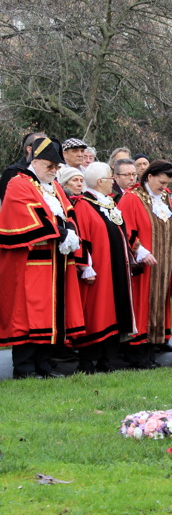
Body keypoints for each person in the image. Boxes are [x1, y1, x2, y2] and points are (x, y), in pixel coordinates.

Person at [0, 137, 83, 378]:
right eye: (50, 166)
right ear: (35, 161)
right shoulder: (19, 183)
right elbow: (25, 217)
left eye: (57, 167)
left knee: (51, 315)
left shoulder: (54, 186)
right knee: (28, 316)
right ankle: (24, 368)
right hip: (31, 262)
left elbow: (67, 210)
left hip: (55, 262)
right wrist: (59, 232)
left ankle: (45, 365)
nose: (54, 171)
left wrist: (70, 230)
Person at [118, 160, 172, 368]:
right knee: (142, 308)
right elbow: (124, 227)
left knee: (159, 307)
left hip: (164, 265)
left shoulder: (166, 198)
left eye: (166, 183)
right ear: (149, 177)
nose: (163, 186)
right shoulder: (131, 198)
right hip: (143, 266)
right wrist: (139, 249)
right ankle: (137, 354)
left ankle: (151, 351)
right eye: (160, 182)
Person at [71, 162, 136, 373]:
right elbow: (81, 238)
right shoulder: (83, 205)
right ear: (100, 182)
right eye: (110, 179)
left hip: (116, 267)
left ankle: (107, 359)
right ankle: (88, 361)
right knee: (97, 313)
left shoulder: (108, 203)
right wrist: (85, 265)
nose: (113, 183)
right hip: (99, 270)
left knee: (114, 311)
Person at [0, 132, 47, 201]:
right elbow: (7, 203)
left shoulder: (49, 170)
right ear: (29, 149)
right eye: (42, 147)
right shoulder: (11, 172)